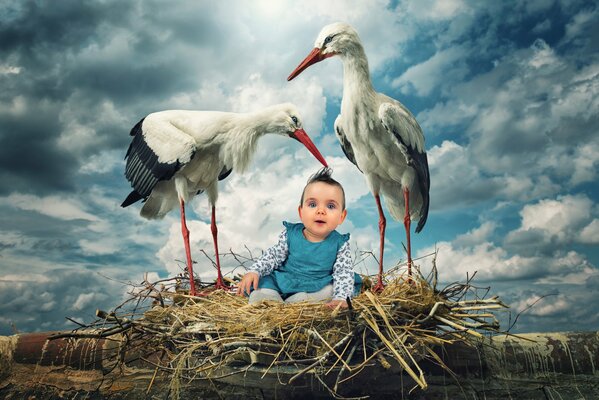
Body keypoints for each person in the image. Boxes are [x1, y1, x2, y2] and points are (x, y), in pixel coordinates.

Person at [236, 168, 360, 309]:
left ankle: (300, 302)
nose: (321, 211)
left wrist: (341, 297)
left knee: (330, 290)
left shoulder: (339, 244)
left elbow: (343, 273)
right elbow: (273, 256)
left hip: (316, 284)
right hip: (284, 280)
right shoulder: (290, 234)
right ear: (301, 212)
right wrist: (255, 271)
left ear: (341, 217)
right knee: (261, 289)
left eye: (330, 206)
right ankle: (269, 299)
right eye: (312, 204)